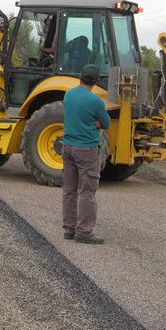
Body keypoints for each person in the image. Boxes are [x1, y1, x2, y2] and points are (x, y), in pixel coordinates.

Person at [61, 64, 110, 244]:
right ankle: (84, 232)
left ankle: (69, 228)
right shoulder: (96, 101)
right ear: (96, 82)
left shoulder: (68, 94)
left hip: (67, 147)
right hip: (86, 149)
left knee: (69, 190)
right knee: (87, 192)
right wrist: (96, 123)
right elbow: (106, 123)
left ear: (80, 76)